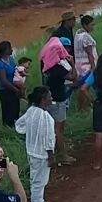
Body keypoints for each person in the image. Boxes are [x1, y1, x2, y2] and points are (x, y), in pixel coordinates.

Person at [15, 87, 57, 202]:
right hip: (42, 154)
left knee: (36, 180)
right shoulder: (46, 117)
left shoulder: (31, 111)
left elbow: (20, 126)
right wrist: (51, 156)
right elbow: (48, 139)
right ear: (43, 99)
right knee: (40, 182)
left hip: (32, 151)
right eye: (49, 96)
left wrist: (32, 135)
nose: (51, 98)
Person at [39, 37, 75, 165]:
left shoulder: (45, 63)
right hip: (59, 99)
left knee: (50, 129)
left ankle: (50, 155)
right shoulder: (59, 67)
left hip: (47, 100)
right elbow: (73, 77)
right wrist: (71, 64)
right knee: (58, 129)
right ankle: (62, 155)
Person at [0, 41, 23, 127]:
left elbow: (15, 71)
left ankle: (16, 128)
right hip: (6, 92)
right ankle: (8, 130)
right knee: (8, 114)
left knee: (15, 111)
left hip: (14, 89)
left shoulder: (11, 59)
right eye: (10, 48)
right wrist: (16, 90)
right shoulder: (0, 65)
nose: (12, 50)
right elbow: (4, 82)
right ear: (6, 50)